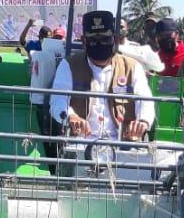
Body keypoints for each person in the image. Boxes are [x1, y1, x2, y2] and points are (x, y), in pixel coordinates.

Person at [49, 10, 154, 142]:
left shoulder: (132, 67)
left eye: (105, 39)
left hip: (123, 144)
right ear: (83, 41)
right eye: (93, 40)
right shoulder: (68, 65)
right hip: (81, 142)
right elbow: (57, 100)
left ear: (114, 39)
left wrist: (143, 121)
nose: (99, 44)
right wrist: (71, 117)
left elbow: (145, 99)